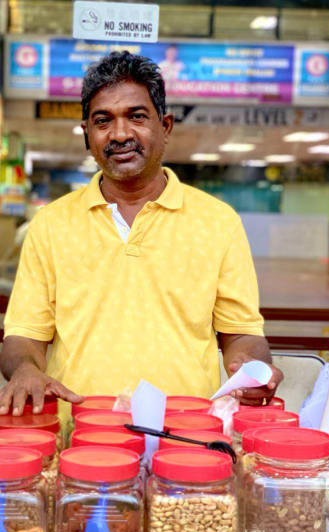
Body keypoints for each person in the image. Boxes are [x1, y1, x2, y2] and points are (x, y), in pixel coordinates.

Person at [0, 51, 280, 416]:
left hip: (187, 436)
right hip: (79, 437)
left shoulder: (218, 222)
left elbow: (241, 333)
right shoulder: (51, 225)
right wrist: (25, 369)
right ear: (87, 134)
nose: (120, 134)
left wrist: (250, 369)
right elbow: (24, 335)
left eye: (136, 117)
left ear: (164, 126)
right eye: (103, 121)